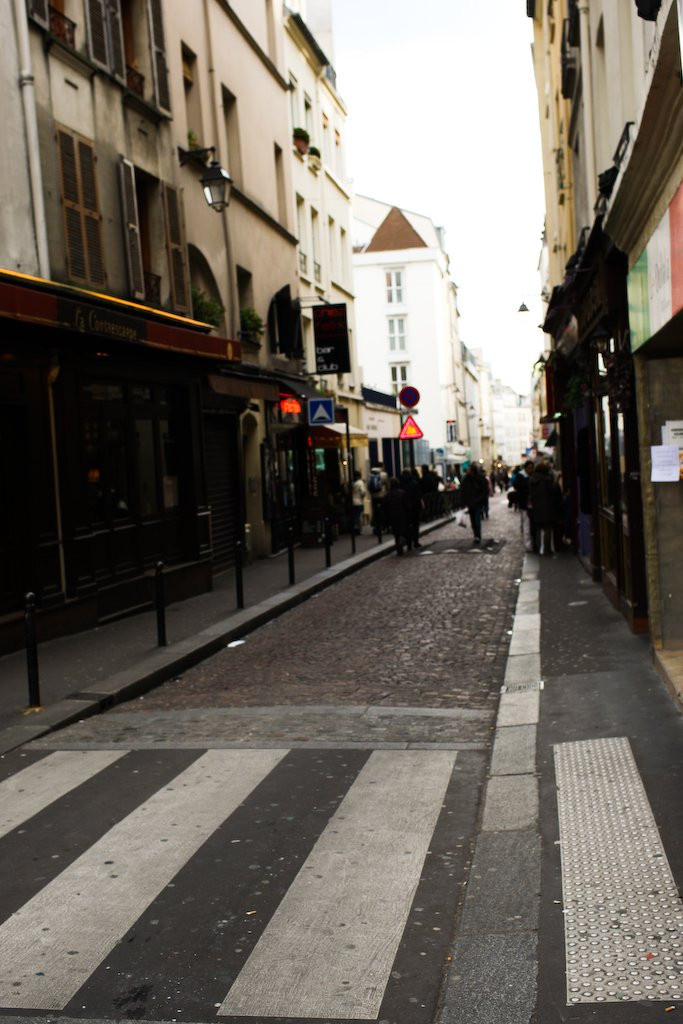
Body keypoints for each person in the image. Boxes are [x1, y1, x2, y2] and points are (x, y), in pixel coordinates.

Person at [528, 460, 563, 555]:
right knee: (547, 529)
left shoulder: (531, 480)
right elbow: (553, 491)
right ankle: (547, 549)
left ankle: (538, 548)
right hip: (547, 508)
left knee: (538, 529)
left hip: (536, 508)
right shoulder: (546, 480)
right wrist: (556, 481)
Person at [459, 463, 489, 545]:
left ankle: (478, 536)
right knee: (473, 521)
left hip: (478, 503)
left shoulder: (480, 478)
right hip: (470, 504)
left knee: (477, 520)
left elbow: (484, 491)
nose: (467, 470)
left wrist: (479, 499)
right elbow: (462, 491)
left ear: (472, 470)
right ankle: (476, 535)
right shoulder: (466, 479)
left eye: (469, 469)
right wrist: (462, 503)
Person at [511, 460, 534, 551]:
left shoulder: (531, 476)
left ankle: (532, 543)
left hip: (532, 504)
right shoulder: (520, 477)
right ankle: (528, 545)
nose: (531, 470)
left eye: (532, 468)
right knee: (526, 525)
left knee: (530, 525)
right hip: (524, 504)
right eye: (529, 468)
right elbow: (519, 487)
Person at [383, 477, 409, 555]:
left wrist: (386, 519)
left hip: (392, 516)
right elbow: (406, 505)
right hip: (401, 515)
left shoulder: (387, 495)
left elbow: (385, 508)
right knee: (402, 531)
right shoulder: (402, 492)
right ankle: (403, 544)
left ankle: (399, 548)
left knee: (396, 533)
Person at [400, 468, 423, 549]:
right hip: (415, 508)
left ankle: (409, 544)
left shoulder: (400, 484)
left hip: (405, 508)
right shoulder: (414, 483)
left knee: (407, 526)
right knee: (415, 525)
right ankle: (415, 542)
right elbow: (418, 496)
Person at [368, 462, 389, 537]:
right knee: (383, 511)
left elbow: (368, 486)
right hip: (382, 496)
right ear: (381, 467)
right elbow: (387, 485)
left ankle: (376, 526)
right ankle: (382, 525)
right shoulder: (384, 474)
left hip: (374, 497)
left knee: (375, 511)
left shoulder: (370, 474)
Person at [351, 470, 366, 536]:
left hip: (353, 501)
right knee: (359, 516)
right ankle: (358, 529)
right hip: (359, 501)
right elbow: (363, 492)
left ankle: (355, 527)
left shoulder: (352, 483)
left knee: (355, 516)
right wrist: (362, 497)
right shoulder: (360, 482)